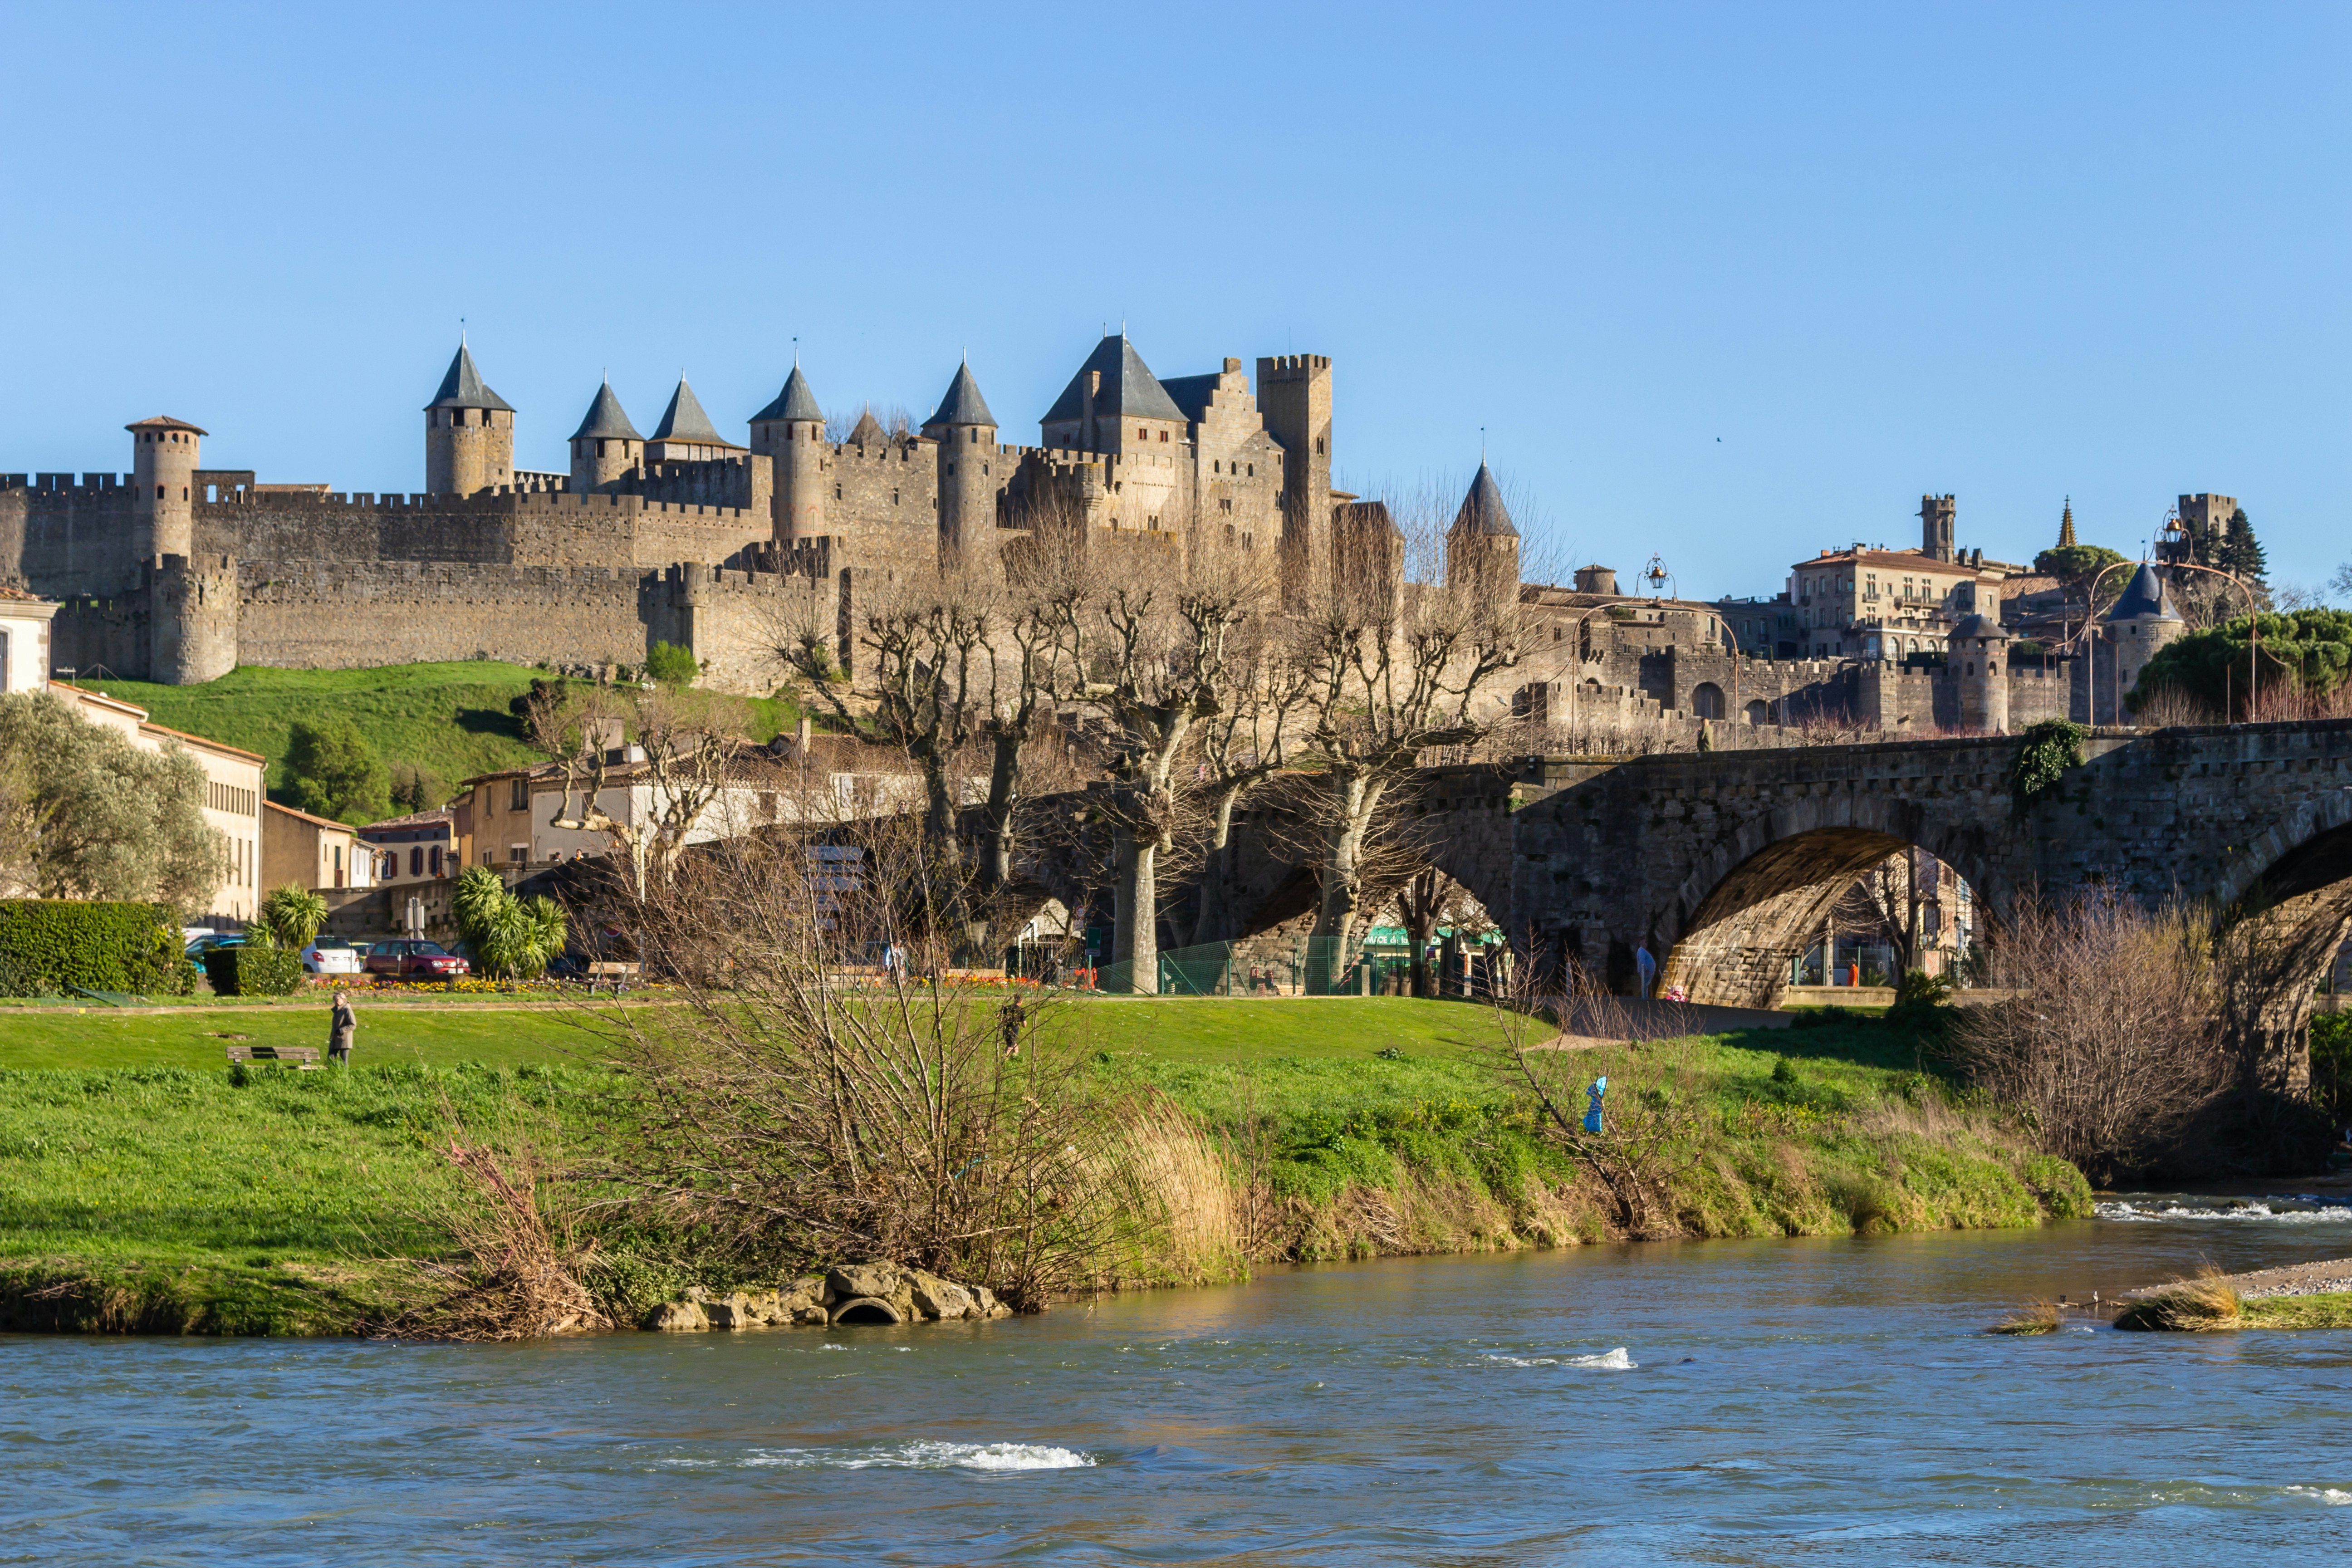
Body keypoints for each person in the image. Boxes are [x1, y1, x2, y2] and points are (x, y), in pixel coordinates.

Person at [327, 988, 357, 1067]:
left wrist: (342, 1030)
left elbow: (353, 1025)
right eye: (334, 999)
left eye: (337, 999)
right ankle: (332, 1074)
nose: (335, 1001)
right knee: (331, 1058)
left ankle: (344, 1076)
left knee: (344, 1061)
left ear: (343, 999)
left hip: (345, 1040)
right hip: (335, 1039)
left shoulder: (347, 1010)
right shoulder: (336, 1011)